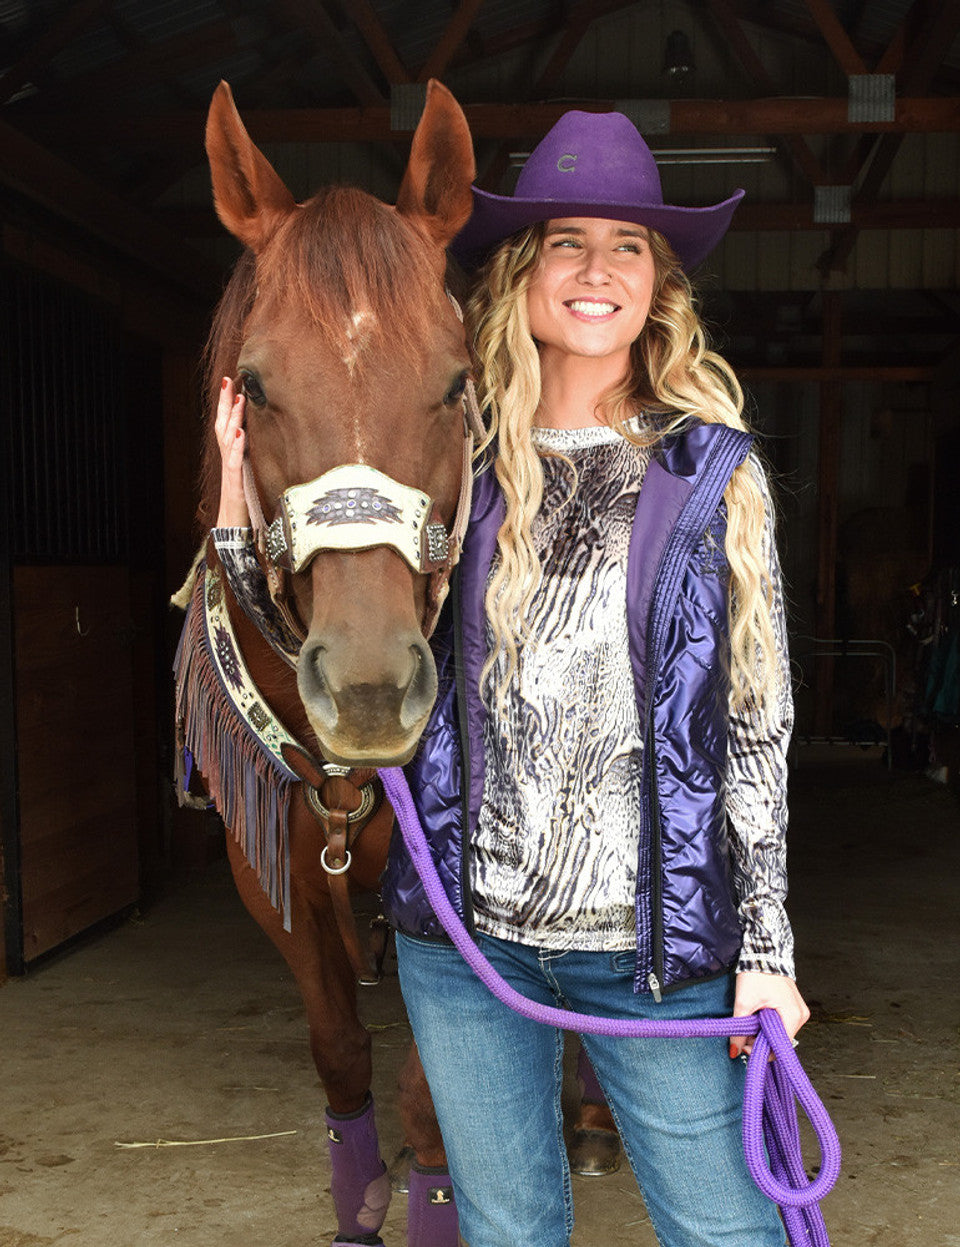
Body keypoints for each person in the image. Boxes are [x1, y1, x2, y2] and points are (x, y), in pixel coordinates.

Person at [214, 110, 808, 1247]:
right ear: (523, 272)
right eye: (564, 241)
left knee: (729, 1230)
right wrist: (241, 496)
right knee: (509, 1229)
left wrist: (768, 952)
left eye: (627, 245)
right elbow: (324, 613)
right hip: (467, 948)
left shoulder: (712, 472)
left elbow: (755, 725)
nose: (594, 269)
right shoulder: (459, 465)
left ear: (658, 281)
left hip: (656, 954)